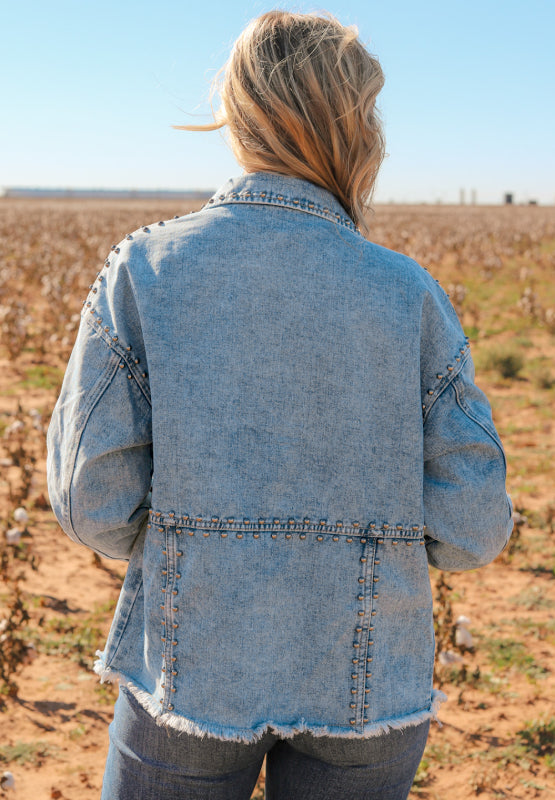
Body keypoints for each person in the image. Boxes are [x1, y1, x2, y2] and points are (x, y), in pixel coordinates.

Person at [46, 10, 513, 800]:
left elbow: (93, 501)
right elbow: (472, 525)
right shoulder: (409, 295)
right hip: (373, 689)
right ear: (357, 127)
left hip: (186, 669)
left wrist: (196, 548)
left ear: (238, 116)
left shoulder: (146, 271)